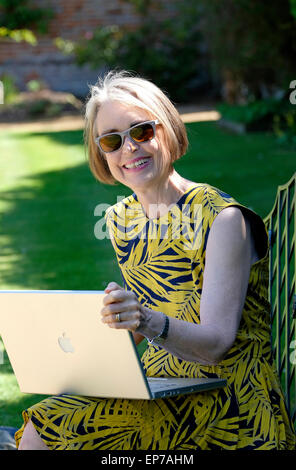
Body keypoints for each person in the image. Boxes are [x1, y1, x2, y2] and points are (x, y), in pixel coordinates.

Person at [16, 70, 295, 450]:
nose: (128, 148)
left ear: (167, 129)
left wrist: (143, 318)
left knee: (46, 429)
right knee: (51, 419)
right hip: (159, 386)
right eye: (111, 141)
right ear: (102, 154)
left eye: (141, 132)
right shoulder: (122, 219)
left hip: (231, 402)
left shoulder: (223, 220)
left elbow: (216, 345)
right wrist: (109, 322)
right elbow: (155, 313)